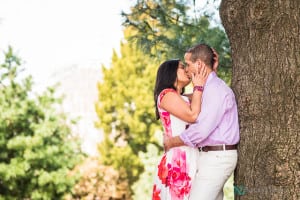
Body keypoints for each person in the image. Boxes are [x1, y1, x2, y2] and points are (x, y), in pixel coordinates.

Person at [163, 43, 240, 200]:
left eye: (189, 65)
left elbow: (201, 130)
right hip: (210, 156)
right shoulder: (208, 89)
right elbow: (193, 99)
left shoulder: (216, 90)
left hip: (217, 158)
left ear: (199, 64)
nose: (187, 70)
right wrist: (212, 71)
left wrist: (172, 142)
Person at [152, 59, 209, 200]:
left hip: (190, 155)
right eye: (182, 67)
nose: (187, 70)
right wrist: (198, 88)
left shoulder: (182, 97)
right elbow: (192, 115)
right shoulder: (166, 95)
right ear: (170, 72)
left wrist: (211, 68)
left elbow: (208, 94)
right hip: (178, 159)